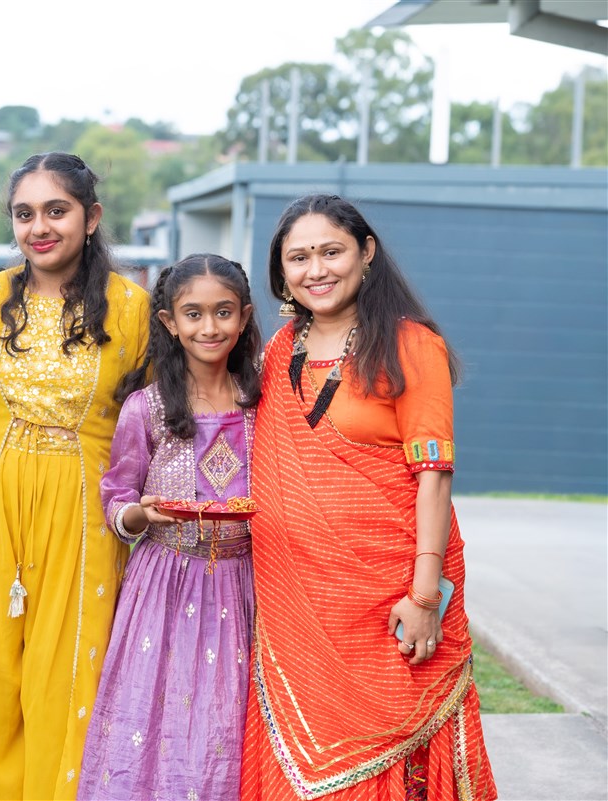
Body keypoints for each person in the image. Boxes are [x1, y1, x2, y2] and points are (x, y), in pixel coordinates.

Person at [0, 152, 151, 801]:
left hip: (82, 515)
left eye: (55, 210)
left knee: (70, 670)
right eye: (23, 213)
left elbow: (162, 415)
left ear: (91, 217)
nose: (38, 226)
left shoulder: (132, 310)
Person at [240, 194, 497, 800]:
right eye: (298, 257)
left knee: (388, 755)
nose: (316, 270)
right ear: (282, 271)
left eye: (332, 251)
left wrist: (426, 594)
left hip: (389, 603)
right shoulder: (278, 352)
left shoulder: (410, 345)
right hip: (295, 609)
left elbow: (434, 474)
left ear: (367, 253)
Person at [77, 254, 262, 801]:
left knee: (226, 719)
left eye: (224, 313)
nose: (210, 328)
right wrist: (142, 514)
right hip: (163, 584)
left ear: (245, 318)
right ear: (168, 322)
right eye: (194, 314)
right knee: (154, 715)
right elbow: (118, 495)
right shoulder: (147, 408)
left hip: (243, 581)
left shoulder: (265, 404)